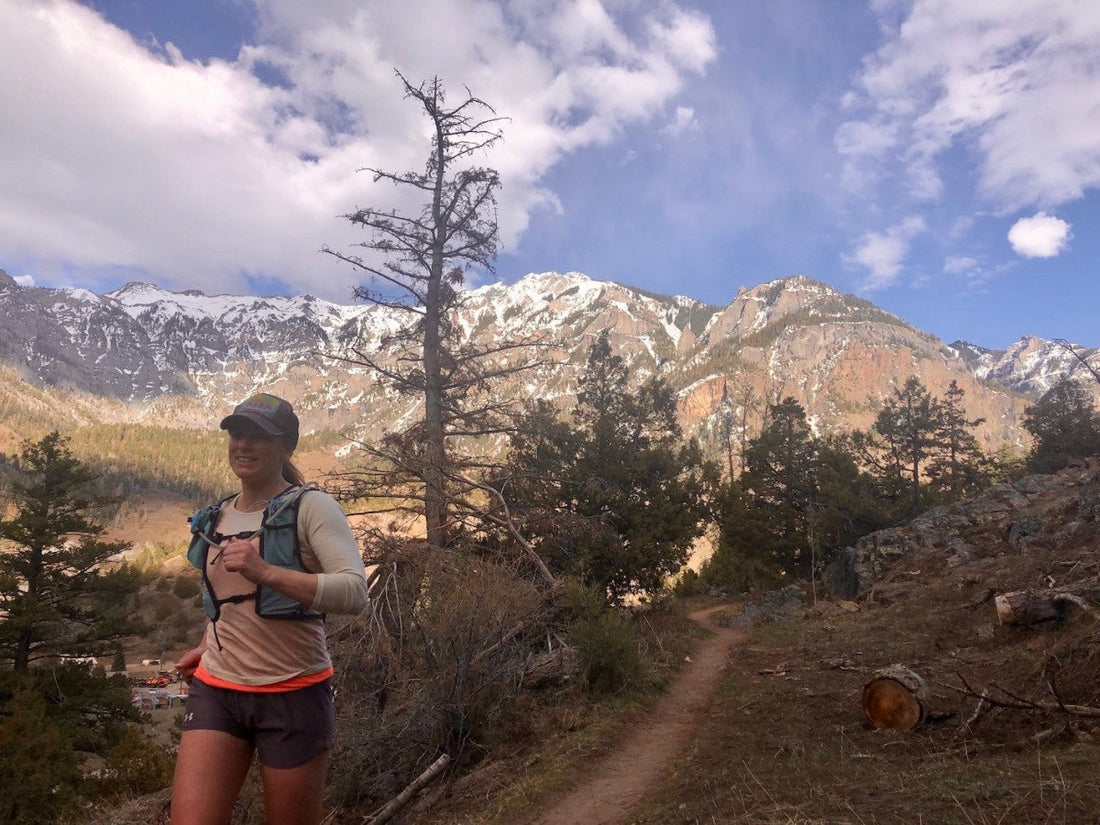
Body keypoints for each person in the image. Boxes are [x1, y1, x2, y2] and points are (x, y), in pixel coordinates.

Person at [171, 392, 368, 825]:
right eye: (237, 433)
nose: (243, 445)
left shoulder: (312, 507)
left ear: (286, 446)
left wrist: (266, 571)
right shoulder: (216, 515)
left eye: (258, 436)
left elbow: (354, 593)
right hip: (217, 689)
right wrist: (209, 644)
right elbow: (228, 599)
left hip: (293, 692)